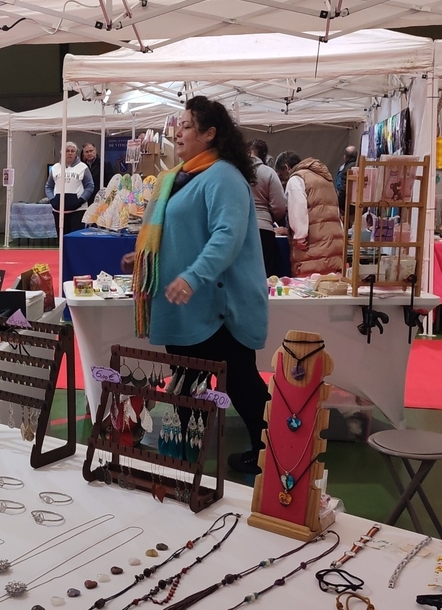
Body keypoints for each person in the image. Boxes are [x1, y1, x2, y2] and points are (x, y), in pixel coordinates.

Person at [128, 96, 270, 475]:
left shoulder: (223, 176)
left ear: (210, 134)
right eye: (179, 124)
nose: (178, 132)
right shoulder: (181, 177)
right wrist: (146, 256)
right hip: (188, 305)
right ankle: (185, 456)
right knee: (189, 382)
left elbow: (227, 236)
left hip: (217, 306)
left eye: (187, 125)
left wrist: (192, 276)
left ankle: (274, 456)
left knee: (240, 383)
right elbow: (181, 232)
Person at [285, 152, 346, 277]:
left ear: (286, 168)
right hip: (335, 241)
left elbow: (298, 208)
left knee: (309, 284)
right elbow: (336, 210)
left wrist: (299, 236)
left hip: (313, 244)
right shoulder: (325, 178)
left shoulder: (296, 179)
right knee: (331, 283)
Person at [249, 139, 287, 279]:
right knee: (266, 275)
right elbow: (279, 205)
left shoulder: (236, 171)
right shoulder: (269, 173)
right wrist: (269, 218)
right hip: (264, 229)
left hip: (240, 228)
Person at [44, 141, 95, 235]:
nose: (70, 153)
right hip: (58, 211)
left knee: (75, 239)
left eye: (72, 151)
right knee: (61, 239)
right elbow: (48, 186)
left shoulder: (83, 167)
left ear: (76, 153)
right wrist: (52, 200)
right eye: (67, 151)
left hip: (78, 210)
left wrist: (81, 200)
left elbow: (90, 185)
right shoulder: (55, 168)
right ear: (62, 153)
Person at [335, 145, 359, 211]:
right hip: (357, 204)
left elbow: (343, 188)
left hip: (346, 205)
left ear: (346, 157)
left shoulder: (346, 169)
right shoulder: (359, 166)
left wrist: (339, 204)